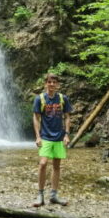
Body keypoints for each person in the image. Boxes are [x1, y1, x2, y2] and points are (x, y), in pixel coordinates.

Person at [31, 73, 72, 207]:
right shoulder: (40, 99)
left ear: (57, 84)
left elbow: (67, 117)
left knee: (56, 166)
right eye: (49, 82)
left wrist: (66, 134)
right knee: (43, 163)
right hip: (45, 137)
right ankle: (40, 194)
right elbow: (36, 118)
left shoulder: (62, 98)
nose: (52, 84)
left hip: (59, 137)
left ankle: (54, 195)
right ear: (45, 83)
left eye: (54, 82)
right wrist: (37, 136)